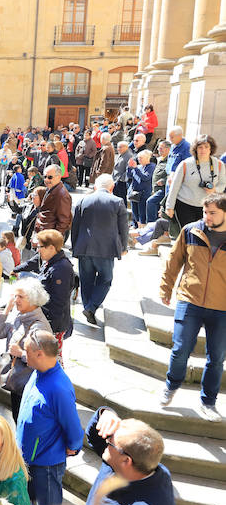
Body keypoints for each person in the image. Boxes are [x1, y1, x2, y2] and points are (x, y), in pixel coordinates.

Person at [159, 193, 226, 422]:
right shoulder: (190, 231)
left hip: (222, 308)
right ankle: (171, 385)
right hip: (190, 300)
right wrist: (165, 289)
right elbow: (174, 261)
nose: (207, 217)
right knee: (180, 350)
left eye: (212, 213)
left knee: (216, 358)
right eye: (205, 212)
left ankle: (208, 402)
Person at [79, 408, 179, 505]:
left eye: (110, 441)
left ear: (126, 460)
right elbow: (95, 437)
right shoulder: (130, 463)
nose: (106, 441)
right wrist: (105, 413)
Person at [16, 331, 83, 505]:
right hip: (29, 459)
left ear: (40, 354)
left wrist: (73, 446)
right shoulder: (38, 372)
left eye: (27, 351)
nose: (24, 354)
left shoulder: (59, 388)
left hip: (45, 465)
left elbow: (74, 428)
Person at [71, 174, 129, 325]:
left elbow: (75, 226)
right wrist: (124, 247)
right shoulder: (117, 201)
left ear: (95, 187)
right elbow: (124, 228)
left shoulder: (83, 200)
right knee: (105, 279)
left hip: (84, 247)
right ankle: (91, 307)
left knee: (86, 280)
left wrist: (74, 247)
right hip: (106, 249)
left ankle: (88, 307)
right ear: (112, 187)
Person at [0, 279, 52, 422]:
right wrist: (6, 311)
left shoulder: (39, 327)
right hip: (18, 382)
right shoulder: (21, 316)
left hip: (28, 384)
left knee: (21, 419)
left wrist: (20, 353)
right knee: (16, 416)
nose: (16, 300)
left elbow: (43, 360)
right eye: (15, 296)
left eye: (20, 297)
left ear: (33, 300)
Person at [14, 229, 75, 356]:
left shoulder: (61, 269)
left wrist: (47, 327)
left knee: (50, 359)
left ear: (51, 248)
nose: (38, 250)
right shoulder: (50, 261)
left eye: (41, 247)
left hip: (53, 325)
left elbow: (59, 302)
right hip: (45, 321)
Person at [164, 135, 226, 230]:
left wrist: (214, 190)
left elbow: (223, 183)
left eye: (206, 147)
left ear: (211, 149)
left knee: (205, 236)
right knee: (190, 234)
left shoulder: (219, 165)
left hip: (208, 208)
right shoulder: (185, 164)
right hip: (185, 205)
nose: (203, 150)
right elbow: (174, 186)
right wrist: (169, 207)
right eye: (200, 147)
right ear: (195, 149)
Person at [146, 140, 171, 230]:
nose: (158, 150)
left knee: (150, 202)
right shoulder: (161, 160)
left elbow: (173, 174)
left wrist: (164, 181)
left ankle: (152, 226)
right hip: (156, 189)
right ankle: (157, 228)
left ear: (168, 149)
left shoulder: (170, 161)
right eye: (158, 147)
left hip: (164, 190)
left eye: (161, 148)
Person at [127, 149, 155, 227]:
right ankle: (137, 227)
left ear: (147, 158)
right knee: (135, 212)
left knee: (142, 213)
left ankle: (142, 228)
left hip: (143, 194)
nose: (139, 159)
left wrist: (135, 168)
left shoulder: (151, 166)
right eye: (138, 158)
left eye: (141, 158)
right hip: (134, 193)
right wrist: (129, 167)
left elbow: (145, 177)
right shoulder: (138, 166)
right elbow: (129, 176)